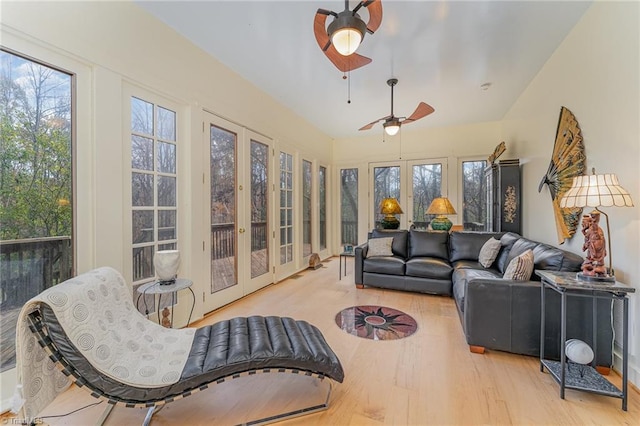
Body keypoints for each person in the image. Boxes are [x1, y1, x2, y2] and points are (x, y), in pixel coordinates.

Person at [581, 211, 607, 276]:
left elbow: (593, 235)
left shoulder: (594, 227)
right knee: (586, 264)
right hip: (593, 246)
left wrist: (595, 217)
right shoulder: (591, 229)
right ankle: (592, 268)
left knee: (598, 259)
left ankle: (598, 268)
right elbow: (587, 237)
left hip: (597, 247)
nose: (582, 224)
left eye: (584, 223)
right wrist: (583, 230)